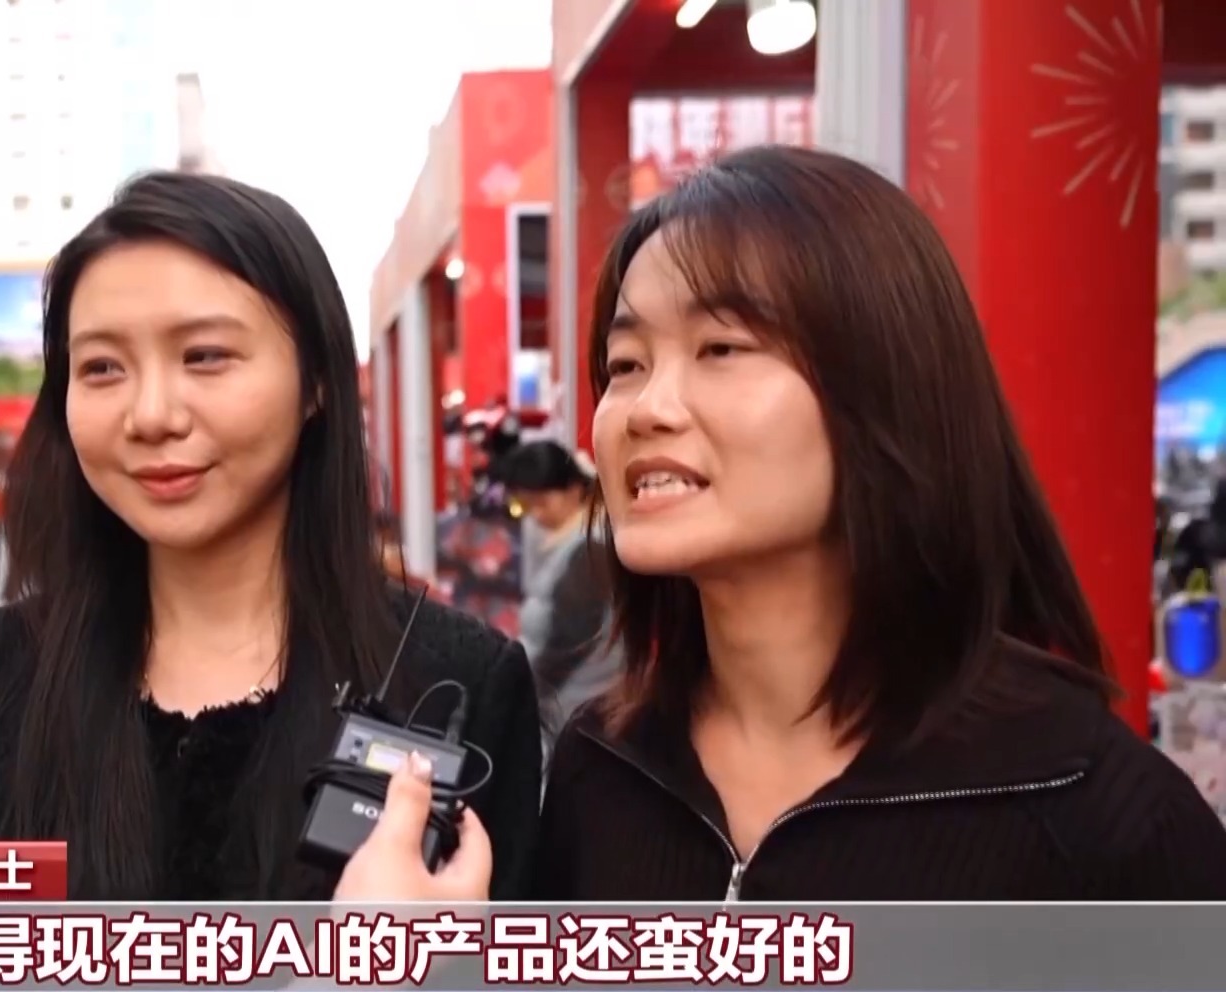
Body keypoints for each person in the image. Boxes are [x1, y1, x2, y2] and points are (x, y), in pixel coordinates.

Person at [335, 145, 1226, 904]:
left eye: (720, 349)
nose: (647, 407)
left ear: (887, 391)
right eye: (627, 362)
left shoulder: (1094, 809)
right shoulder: (601, 769)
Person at [0, 172, 544, 901]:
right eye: (101, 368)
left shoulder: (458, 684)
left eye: (205, 356)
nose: (151, 415)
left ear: (316, 380)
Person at [495, 440, 615, 756]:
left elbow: (571, 639)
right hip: (566, 706)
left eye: (542, 502)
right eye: (526, 505)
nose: (535, 514)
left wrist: (521, 688)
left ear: (573, 490)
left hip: (575, 706)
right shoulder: (576, 539)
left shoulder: (589, 549)